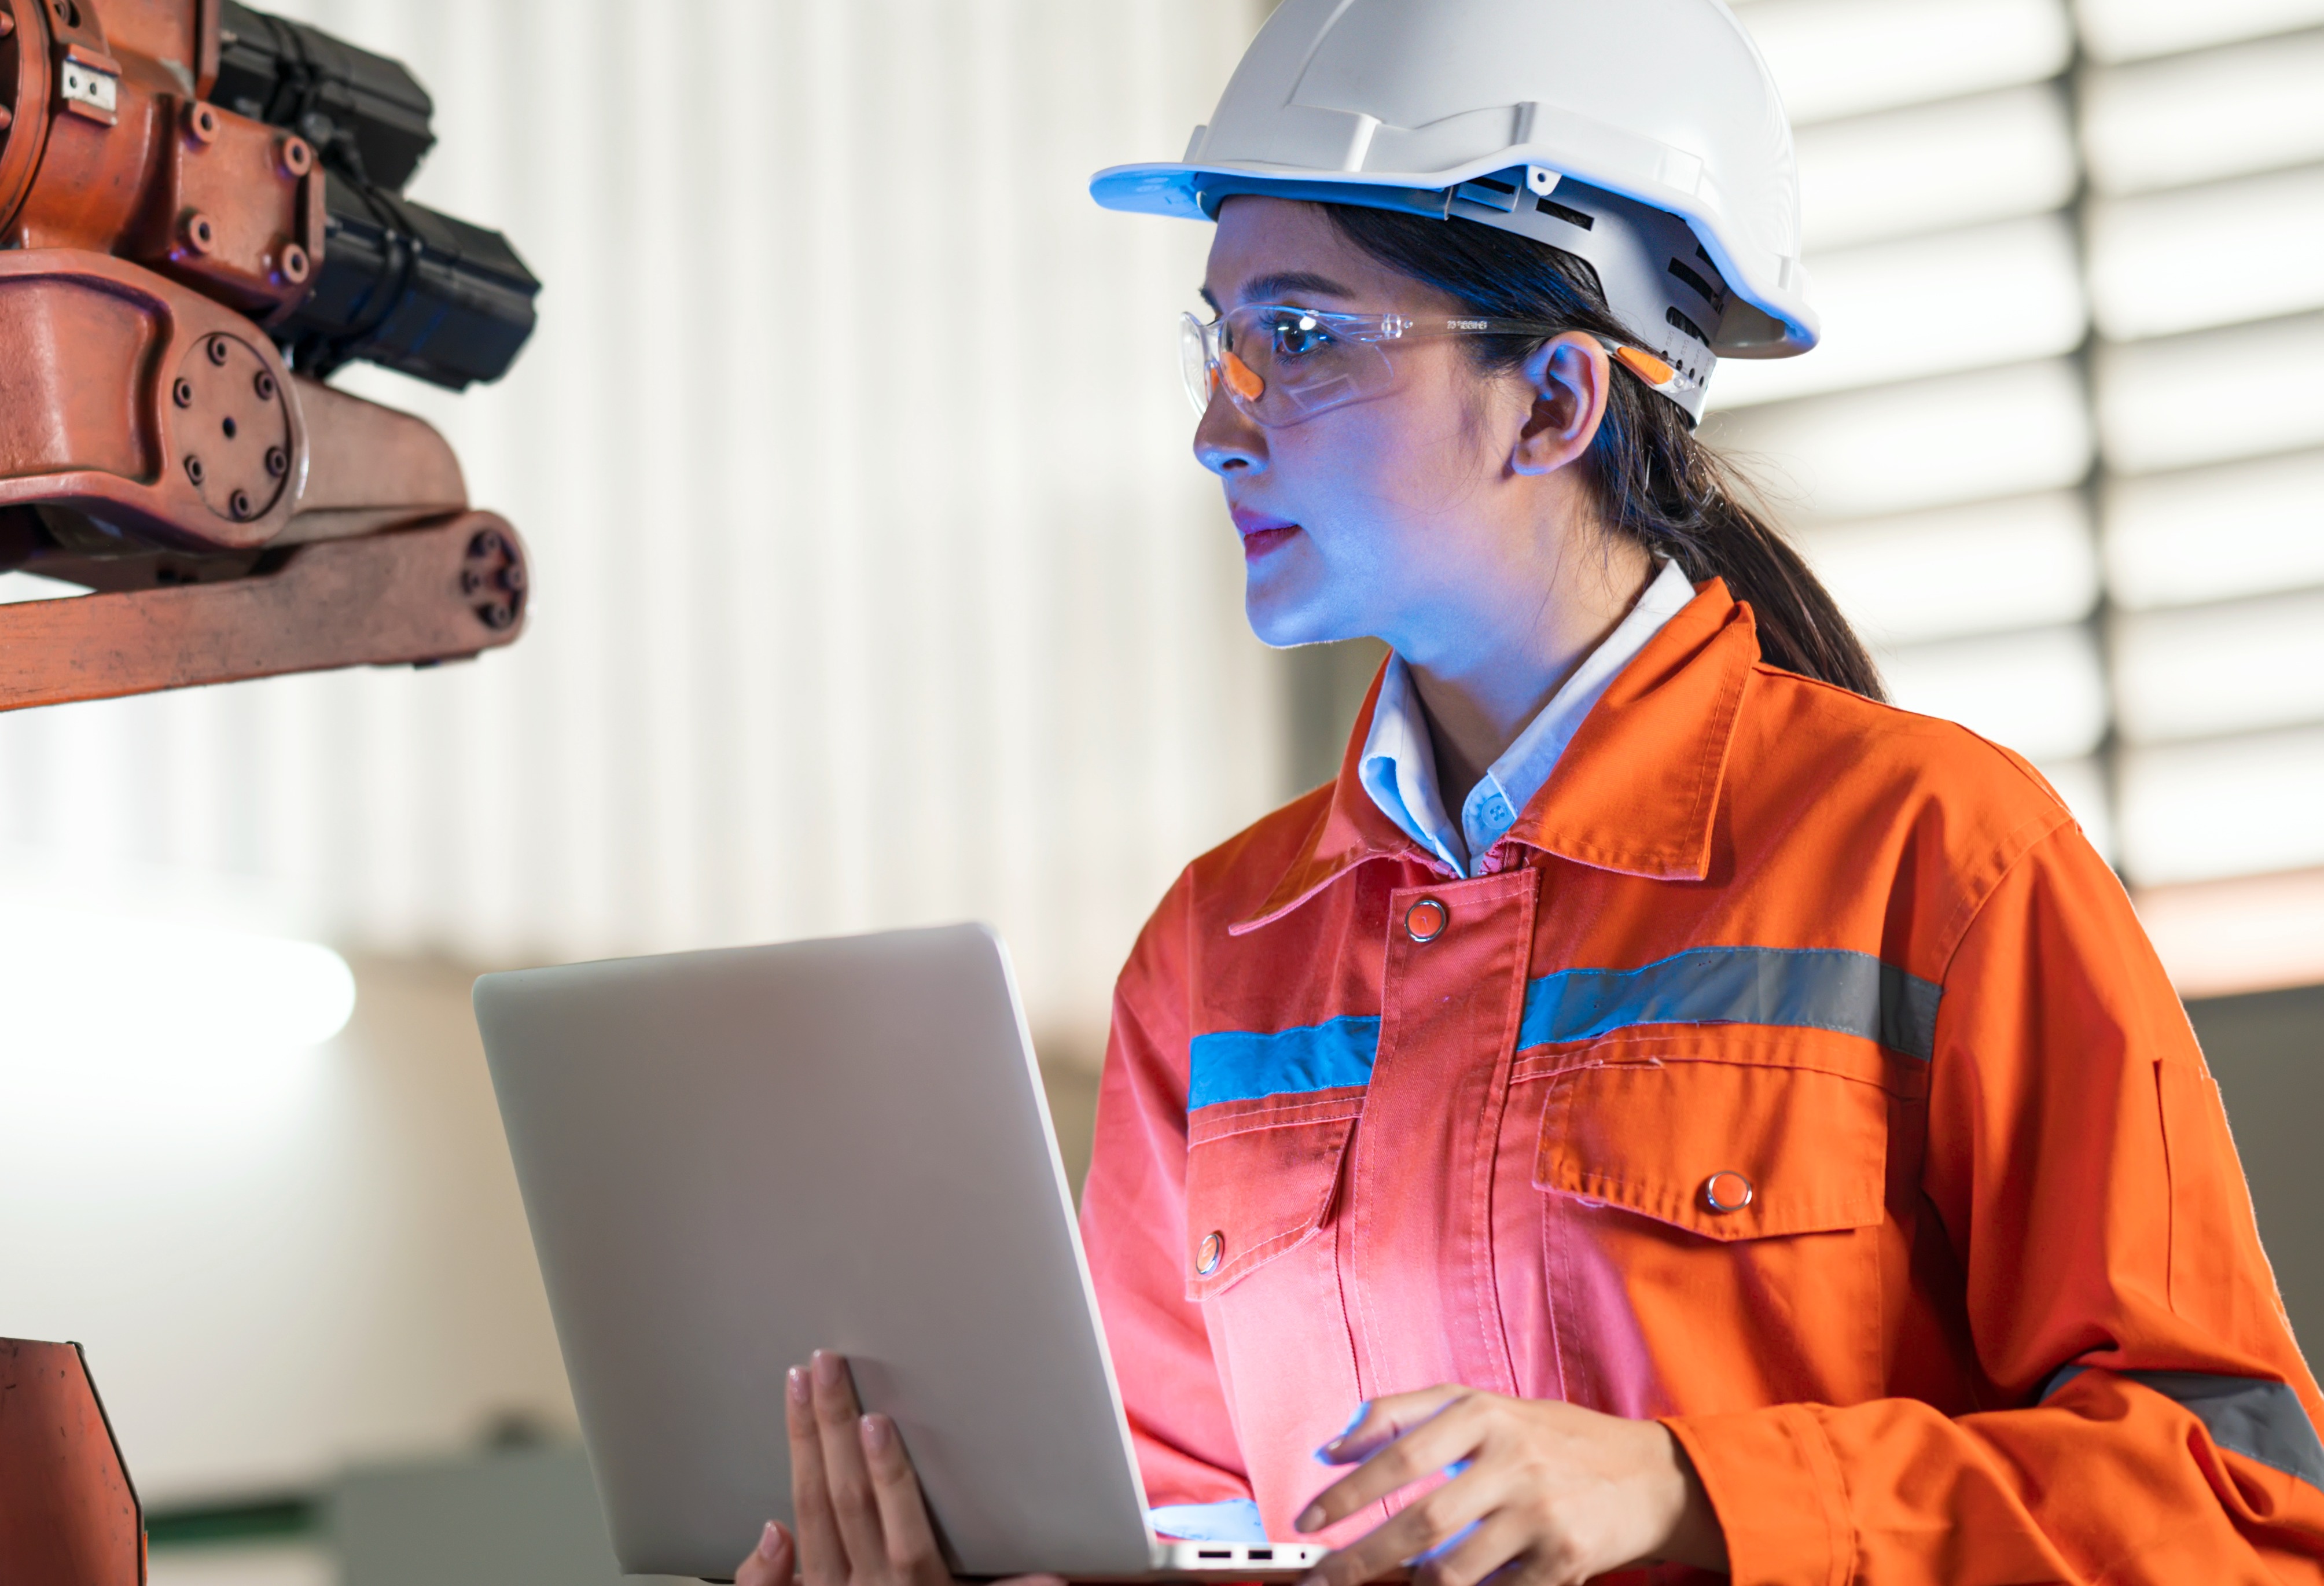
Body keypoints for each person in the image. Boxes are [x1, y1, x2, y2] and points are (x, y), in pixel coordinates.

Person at [730, 2, 2324, 1583]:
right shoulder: (1217, 950)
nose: (1218, 426)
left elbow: (2237, 1510)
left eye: (1297, 338)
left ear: (1558, 400)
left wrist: (1693, 1494)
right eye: (1215, 341)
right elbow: (1177, 1522)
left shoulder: (1938, 858)